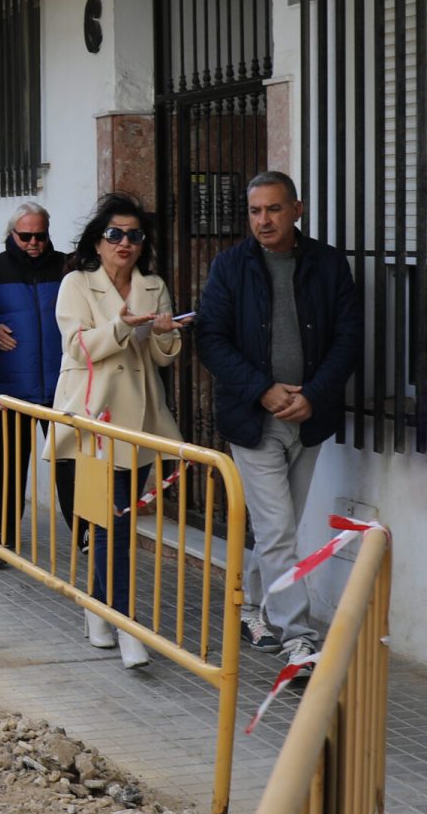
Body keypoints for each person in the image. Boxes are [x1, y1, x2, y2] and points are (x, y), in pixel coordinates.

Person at [197, 170, 361, 680]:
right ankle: (300, 639)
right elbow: (212, 340)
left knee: (278, 528)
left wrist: (314, 395)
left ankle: (252, 607)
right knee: (278, 529)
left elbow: (349, 337)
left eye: (272, 209)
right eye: (254, 211)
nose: (262, 220)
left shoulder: (329, 265)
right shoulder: (229, 266)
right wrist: (263, 390)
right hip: (254, 419)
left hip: (309, 417)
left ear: (297, 209)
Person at [48, 192, 191, 670]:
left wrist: (168, 332)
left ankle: (96, 609)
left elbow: (161, 358)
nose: (124, 243)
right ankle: (127, 624)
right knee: (112, 524)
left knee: (118, 523)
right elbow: (76, 349)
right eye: (114, 234)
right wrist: (121, 325)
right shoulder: (77, 283)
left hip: (140, 421)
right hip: (92, 420)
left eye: (133, 235)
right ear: (98, 241)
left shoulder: (153, 285)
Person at [0, 202, 75, 550]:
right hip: (12, 388)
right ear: (12, 234)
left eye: (40, 235)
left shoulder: (67, 267)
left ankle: (82, 533)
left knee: (71, 465)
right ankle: (4, 534)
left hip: (62, 386)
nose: (34, 243)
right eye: (26, 237)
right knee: (9, 467)